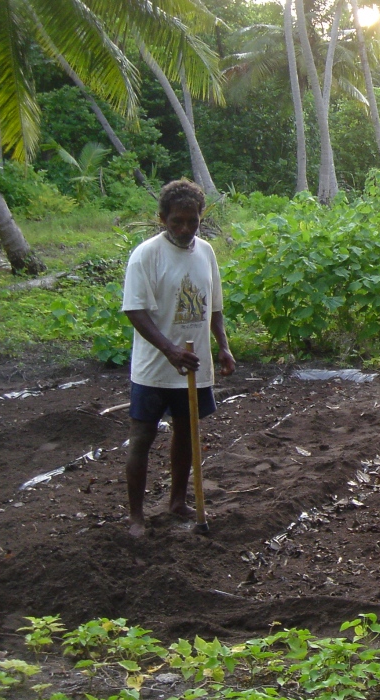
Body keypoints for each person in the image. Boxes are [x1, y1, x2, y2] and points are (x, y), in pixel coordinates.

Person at [121, 179, 235, 537]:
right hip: (155, 369)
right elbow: (135, 310)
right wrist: (169, 350)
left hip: (194, 365)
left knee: (187, 433)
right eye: (176, 222)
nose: (185, 229)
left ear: (202, 217)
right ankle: (136, 516)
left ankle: (177, 501)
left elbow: (214, 306)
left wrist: (223, 345)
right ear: (162, 219)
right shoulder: (146, 255)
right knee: (142, 437)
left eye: (192, 221)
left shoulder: (206, 253)